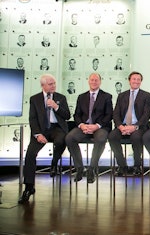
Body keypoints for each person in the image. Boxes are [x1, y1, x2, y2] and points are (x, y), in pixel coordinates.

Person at [18, 74, 70, 203]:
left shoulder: (61, 98)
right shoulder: (34, 99)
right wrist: (37, 134)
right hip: (41, 130)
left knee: (60, 141)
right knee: (30, 154)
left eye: (54, 83)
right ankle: (29, 187)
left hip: (57, 128)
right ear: (43, 85)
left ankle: (54, 163)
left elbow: (67, 116)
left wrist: (56, 107)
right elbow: (33, 118)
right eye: (50, 84)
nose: (53, 86)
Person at [65, 73, 113, 183]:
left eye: (96, 80)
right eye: (92, 80)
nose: (94, 82)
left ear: (100, 82)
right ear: (88, 81)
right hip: (84, 126)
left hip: (99, 126)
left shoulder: (107, 96)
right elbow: (76, 115)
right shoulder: (81, 97)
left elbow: (109, 115)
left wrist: (96, 126)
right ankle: (79, 168)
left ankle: (92, 168)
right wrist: (82, 125)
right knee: (69, 138)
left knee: (101, 138)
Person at [108, 71, 150, 176]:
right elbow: (116, 113)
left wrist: (134, 127)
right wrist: (120, 126)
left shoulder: (146, 95)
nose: (136, 81)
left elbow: (146, 115)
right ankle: (122, 165)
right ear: (129, 81)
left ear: (141, 82)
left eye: (138, 79)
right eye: (134, 79)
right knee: (112, 136)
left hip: (138, 127)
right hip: (123, 125)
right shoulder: (122, 95)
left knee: (136, 137)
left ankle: (137, 165)